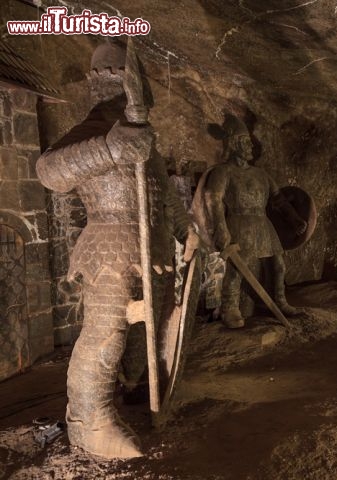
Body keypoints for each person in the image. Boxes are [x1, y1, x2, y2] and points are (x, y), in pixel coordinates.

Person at [36, 41, 199, 458]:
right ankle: (90, 420)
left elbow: (162, 191)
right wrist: (111, 147)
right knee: (105, 334)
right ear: (106, 82)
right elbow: (50, 171)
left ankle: (135, 390)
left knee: (153, 324)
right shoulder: (90, 133)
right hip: (108, 247)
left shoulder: (142, 134)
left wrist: (186, 230)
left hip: (153, 248)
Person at [201, 116, 307, 328]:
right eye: (246, 141)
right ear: (234, 143)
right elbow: (213, 198)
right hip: (238, 223)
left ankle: (279, 301)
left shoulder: (261, 174)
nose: (250, 146)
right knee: (237, 268)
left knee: (278, 265)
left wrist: (294, 219)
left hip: (262, 224)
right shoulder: (223, 171)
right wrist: (220, 227)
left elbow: (279, 200)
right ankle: (230, 307)